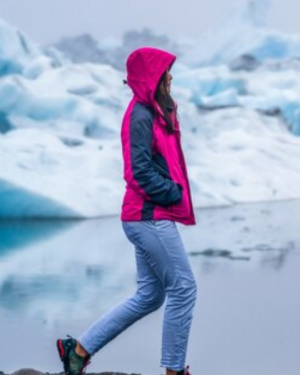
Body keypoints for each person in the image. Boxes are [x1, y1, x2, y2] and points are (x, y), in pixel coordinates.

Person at [56, 47, 197, 375]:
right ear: (153, 77)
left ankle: (77, 351)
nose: (171, 77)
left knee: (150, 295)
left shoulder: (156, 112)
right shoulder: (141, 115)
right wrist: (172, 192)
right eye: (166, 72)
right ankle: (174, 370)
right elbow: (137, 171)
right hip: (148, 216)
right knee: (184, 288)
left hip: (148, 215)